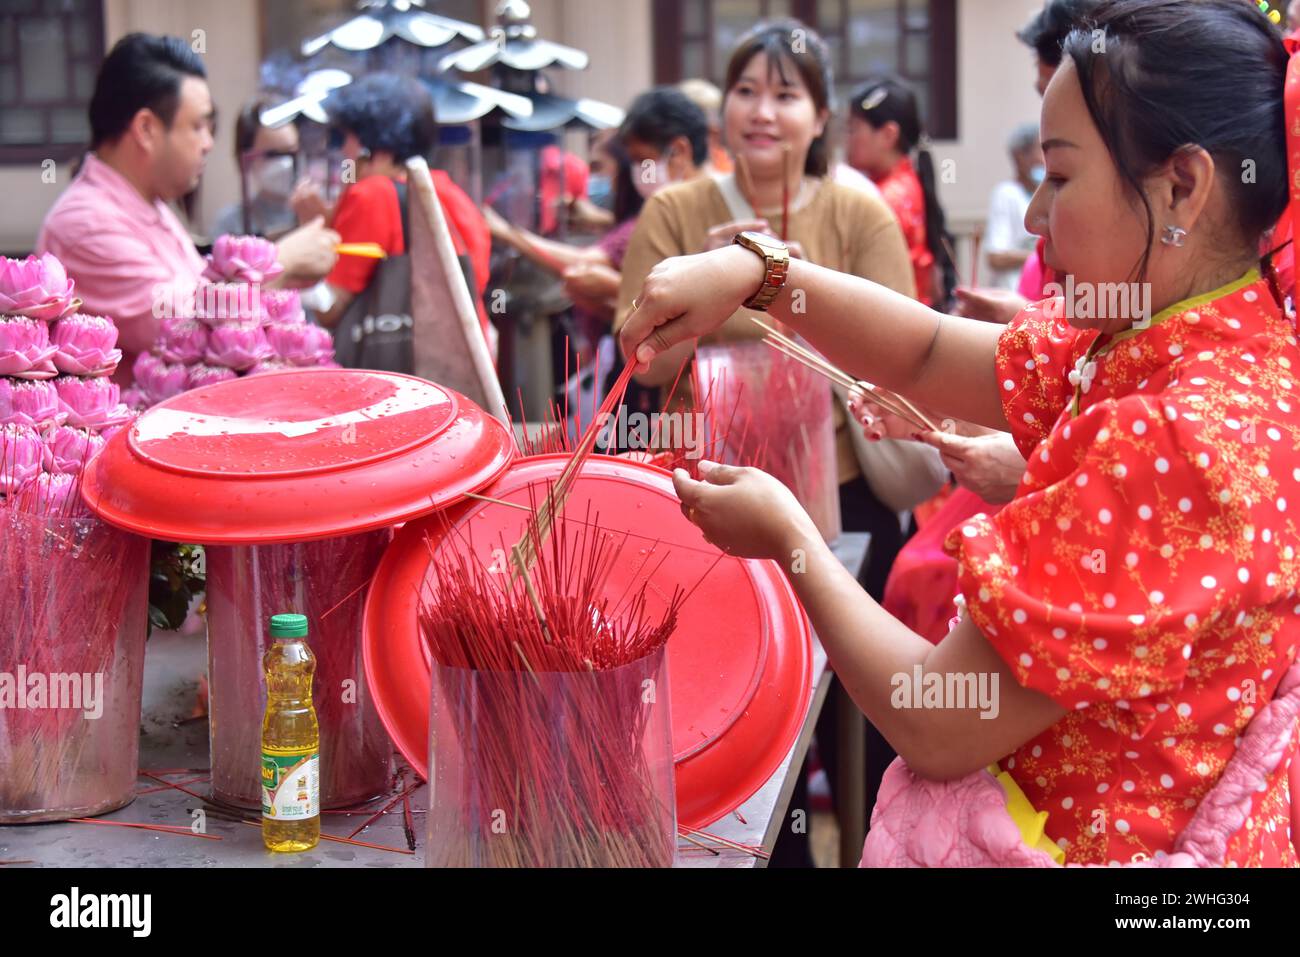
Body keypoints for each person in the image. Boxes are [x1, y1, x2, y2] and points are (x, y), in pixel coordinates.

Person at [621, 0, 1300, 866]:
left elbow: (944, 717)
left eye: (1060, 176)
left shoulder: (1181, 434)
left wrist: (790, 539)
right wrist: (759, 271)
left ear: (1182, 186)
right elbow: (933, 347)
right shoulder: (1155, 324)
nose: (1031, 217)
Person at [36, 33, 339, 381]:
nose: (209, 144)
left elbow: (201, 296)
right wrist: (278, 264)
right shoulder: (84, 223)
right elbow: (184, 331)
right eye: (198, 126)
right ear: (147, 129)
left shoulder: (150, 205)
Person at [303, 73, 490, 341]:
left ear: (370, 144)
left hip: (401, 372)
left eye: (346, 138)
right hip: (464, 359)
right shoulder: (452, 192)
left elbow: (330, 307)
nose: (344, 150)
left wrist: (308, 242)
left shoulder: (372, 195)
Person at [846, 75, 956, 309]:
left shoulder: (887, 198)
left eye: (853, 129)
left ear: (888, 134)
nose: (848, 140)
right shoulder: (906, 183)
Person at [210, 94, 302, 240]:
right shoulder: (231, 225)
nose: (285, 163)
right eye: (272, 155)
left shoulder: (316, 212)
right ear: (245, 158)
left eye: (290, 152)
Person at [983, 123, 1042, 291]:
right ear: (1019, 157)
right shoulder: (1006, 194)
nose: (1045, 159)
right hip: (1013, 292)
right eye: (1040, 150)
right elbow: (996, 257)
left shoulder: (1042, 195)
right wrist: (1040, 256)